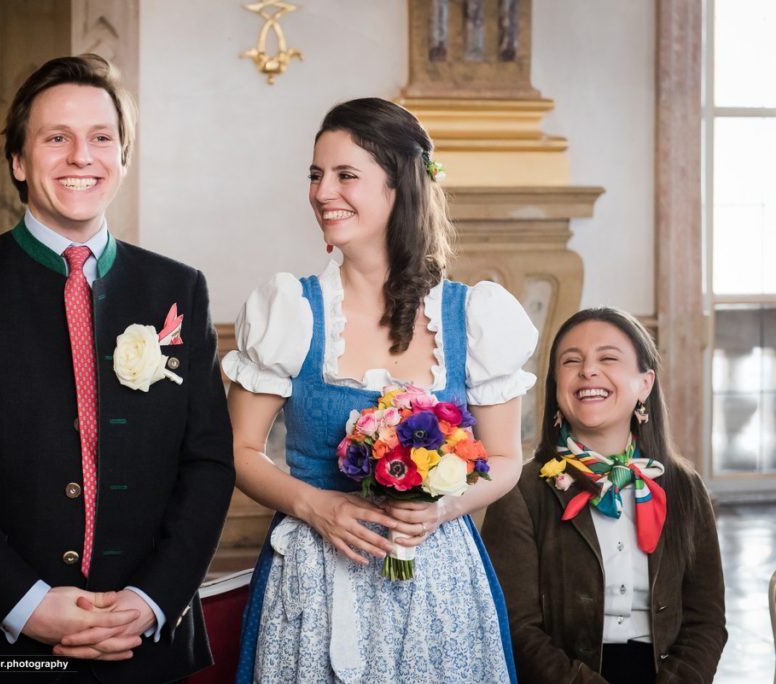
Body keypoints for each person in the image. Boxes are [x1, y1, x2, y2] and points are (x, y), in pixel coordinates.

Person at [0, 54, 235, 682]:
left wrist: (151, 600)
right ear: (20, 163)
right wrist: (24, 605)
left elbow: (208, 463)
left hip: (141, 642)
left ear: (122, 160)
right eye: (57, 138)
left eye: (101, 138)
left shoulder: (179, 287)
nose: (82, 156)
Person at [224, 97, 539, 683]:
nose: (322, 192)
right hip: (316, 576)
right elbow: (240, 452)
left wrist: (440, 508)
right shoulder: (290, 309)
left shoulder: (473, 315)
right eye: (316, 176)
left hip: (438, 577)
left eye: (346, 175)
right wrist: (313, 505)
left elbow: (504, 459)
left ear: (401, 186)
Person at [482, 308, 727, 683]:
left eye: (608, 358)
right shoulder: (520, 489)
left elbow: (706, 621)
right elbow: (515, 625)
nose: (588, 371)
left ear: (645, 384)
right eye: (571, 361)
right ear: (555, 384)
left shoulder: (684, 487)